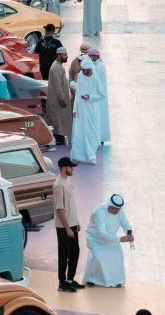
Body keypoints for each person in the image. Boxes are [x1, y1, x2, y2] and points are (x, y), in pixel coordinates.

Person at [82, 194, 134, 287]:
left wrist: (129, 233)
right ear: (109, 205)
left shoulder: (120, 211)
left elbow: (125, 224)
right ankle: (91, 279)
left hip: (110, 238)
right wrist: (120, 239)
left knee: (117, 254)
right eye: (115, 209)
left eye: (118, 209)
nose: (117, 211)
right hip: (95, 239)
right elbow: (102, 233)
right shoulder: (99, 212)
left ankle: (116, 280)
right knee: (98, 256)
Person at [53, 156, 81, 292]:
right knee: (64, 255)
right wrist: (67, 228)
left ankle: (70, 279)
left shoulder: (67, 181)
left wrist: (76, 222)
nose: (72, 170)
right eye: (71, 167)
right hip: (64, 227)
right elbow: (60, 209)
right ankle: (62, 283)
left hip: (72, 224)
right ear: (64, 168)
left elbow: (70, 205)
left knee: (75, 252)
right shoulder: (59, 185)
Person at [70, 58, 104, 164]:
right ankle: (76, 155)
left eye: (86, 70)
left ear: (90, 69)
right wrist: (75, 109)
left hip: (92, 110)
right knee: (79, 132)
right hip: (81, 109)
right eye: (83, 70)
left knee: (91, 132)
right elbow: (78, 93)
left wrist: (90, 97)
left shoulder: (95, 78)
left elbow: (101, 95)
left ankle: (91, 156)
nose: (84, 72)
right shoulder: (80, 76)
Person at [44, 47, 72, 144]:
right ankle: (59, 141)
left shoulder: (58, 66)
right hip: (58, 101)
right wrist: (62, 99)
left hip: (59, 100)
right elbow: (58, 85)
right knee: (58, 122)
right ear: (59, 55)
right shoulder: (56, 68)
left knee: (60, 121)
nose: (66, 57)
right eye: (64, 55)